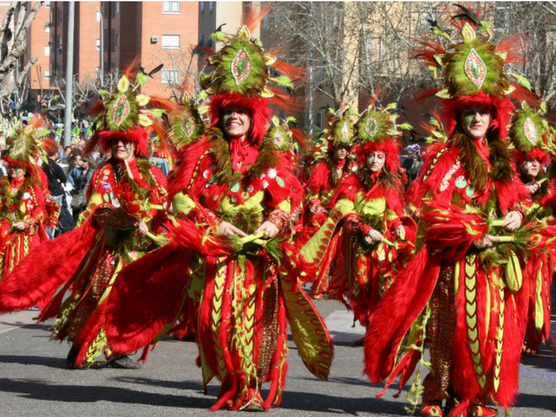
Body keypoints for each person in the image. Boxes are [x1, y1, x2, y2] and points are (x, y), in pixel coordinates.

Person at [88, 16, 333, 411]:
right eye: (229, 110)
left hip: (256, 256)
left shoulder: (271, 157)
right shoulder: (201, 154)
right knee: (215, 323)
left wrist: (272, 222)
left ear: (255, 116)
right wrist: (214, 223)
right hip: (215, 254)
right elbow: (182, 200)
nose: (235, 116)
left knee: (254, 325)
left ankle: (249, 386)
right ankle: (229, 380)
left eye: (242, 111)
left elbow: (285, 202)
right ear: (220, 113)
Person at [364, 11, 536, 417]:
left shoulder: (503, 160)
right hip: (454, 264)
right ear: (457, 116)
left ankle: (476, 398)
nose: (477, 119)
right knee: (448, 332)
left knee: (490, 333)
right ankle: (436, 396)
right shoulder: (445, 156)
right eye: (469, 112)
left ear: (496, 117)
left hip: (492, 268)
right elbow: (431, 210)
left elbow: (518, 201)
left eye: (484, 112)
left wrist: (516, 216)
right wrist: (473, 234)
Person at [0, 67, 170, 370]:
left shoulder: (152, 173)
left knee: (130, 301)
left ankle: (117, 348)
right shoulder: (104, 172)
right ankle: (81, 343)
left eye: (126, 141)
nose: (120, 145)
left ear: (137, 142)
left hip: (141, 249)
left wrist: (153, 226)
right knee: (94, 295)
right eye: (115, 140)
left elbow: (163, 206)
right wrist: (126, 220)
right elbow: (99, 208)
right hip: (107, 249)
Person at [301, 102, 416, 344]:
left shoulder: (391, 182)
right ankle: (369, 329)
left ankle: (382, 329)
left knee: (383, 285)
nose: (375, 160)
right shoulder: (352, 180)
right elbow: (347, 213)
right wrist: (364, 228)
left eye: (380, 156)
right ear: (365, 157)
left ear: (387, 158)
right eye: (371, 155)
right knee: (361, 288)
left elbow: (393, 212)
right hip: (358, 243)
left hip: (383, 243)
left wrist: (398, 227)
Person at [509, 105, 556, 355]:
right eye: (528, 160)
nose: (534, 165)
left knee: (538, 298)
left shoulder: (550, 189)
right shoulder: (511, 186)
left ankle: (533, 338)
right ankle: (518, 337)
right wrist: (521, 196)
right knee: (518, 296)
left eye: (538, 160)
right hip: (517, 254)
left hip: (542, 257)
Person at [301, 107, 357, 298]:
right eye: (340, 147)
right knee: (327, 250)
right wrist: (320, 213)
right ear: (333, 147)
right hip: (328, 217)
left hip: (347, 216)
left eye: (346, 148)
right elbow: (313, 195)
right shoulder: (322, 167)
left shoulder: (353, 168)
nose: (343, 152)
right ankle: (321, 285)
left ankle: (339, 286)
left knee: (345, 251)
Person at [0, 116, 58, 281]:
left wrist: (26, 222)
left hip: (24, 235)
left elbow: (39, 210)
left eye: (17, 168)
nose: (13, 171)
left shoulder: (33, 187)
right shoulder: (2, 185)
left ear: (25, 169)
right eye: (11, 167)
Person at [42, 142, 75, 237]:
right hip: (56, 193)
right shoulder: (55, 166)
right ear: (55, 154)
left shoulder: (44, 165)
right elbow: (64, 179)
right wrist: (59, 180)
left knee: (48, 216)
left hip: (46, 192)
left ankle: (48, 235)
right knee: (54, 216)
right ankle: (50, 236)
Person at [68, 155, 96, 223]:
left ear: (89, 162)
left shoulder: (93, 171)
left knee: (86, 215)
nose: (82, 163)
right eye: (81, 161)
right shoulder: (76, 170)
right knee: (76, 215)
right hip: (78, 195)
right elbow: (69, 176)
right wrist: (73, 184)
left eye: (85, 161)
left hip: (88, 196)